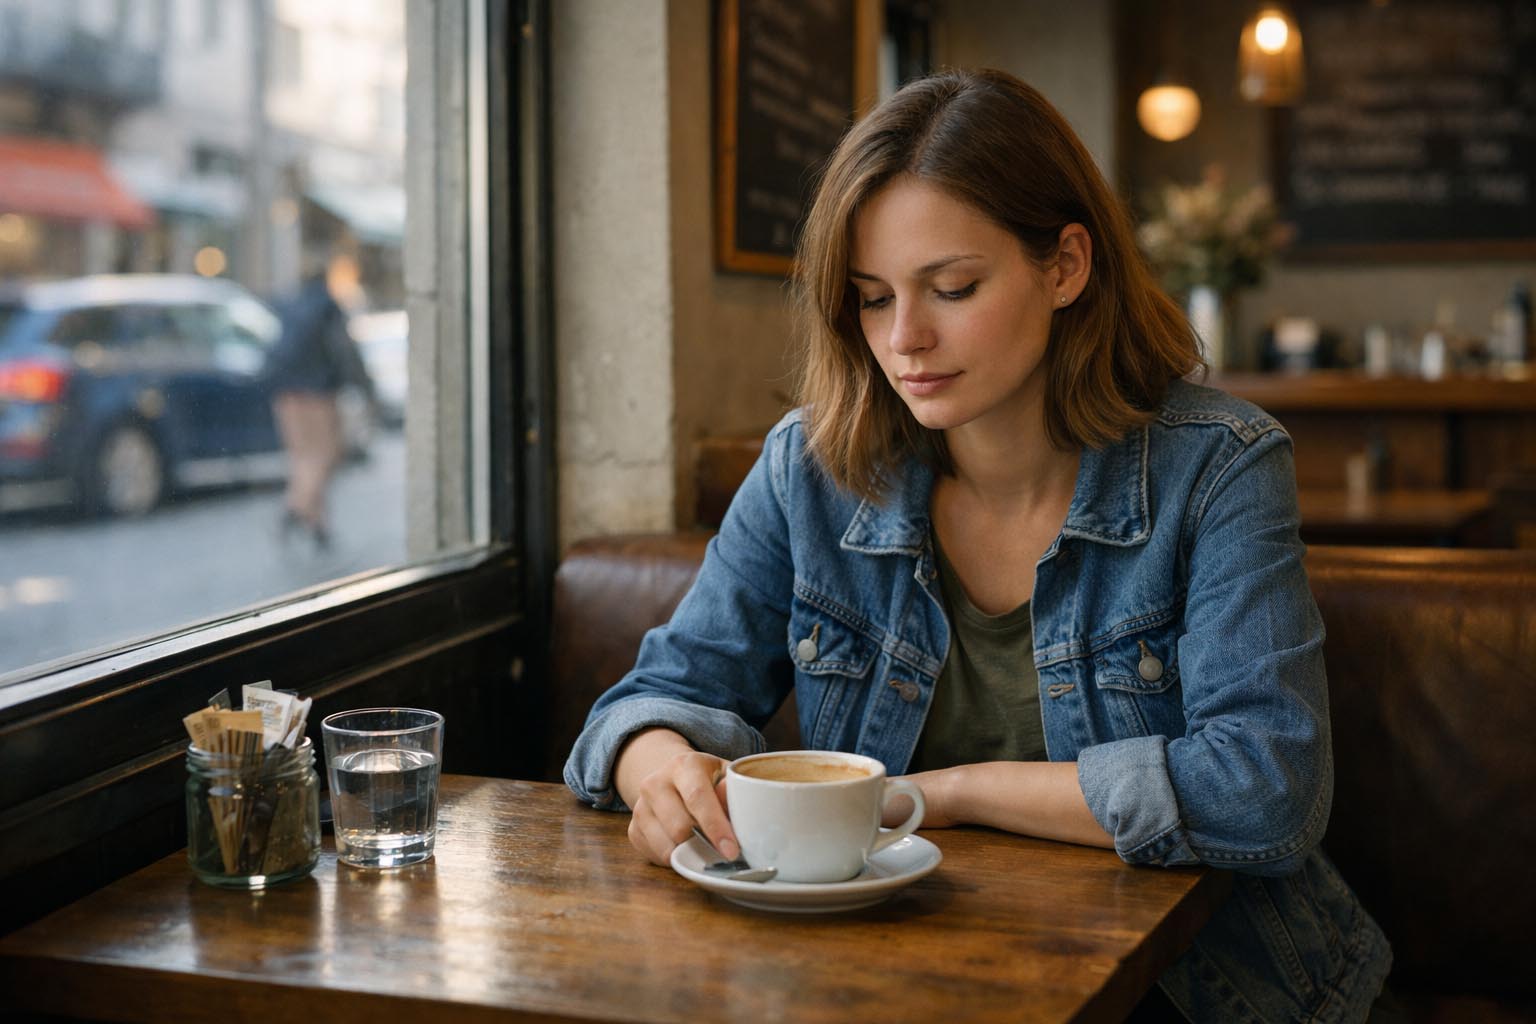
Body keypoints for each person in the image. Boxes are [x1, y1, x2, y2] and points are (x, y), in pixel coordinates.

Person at [565, 69, 1392, 1022]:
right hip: (892, 980)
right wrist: (656, 767)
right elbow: (645, 704)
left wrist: (948, 794)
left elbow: (1265, 789)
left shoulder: (1220, 468)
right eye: (872, 298)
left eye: (952, 287)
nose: (905, 338)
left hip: (1197, 991)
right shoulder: (812, 467)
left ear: (1066, 266)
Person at [264, 255, 374, 549]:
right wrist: (365, 387)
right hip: (318, 392)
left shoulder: (291, 304)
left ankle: (318, 524)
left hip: (285, 391)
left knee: (302, 456)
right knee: (325, 454)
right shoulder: (327, 307)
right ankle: (296, 507)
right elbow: (344, 351)